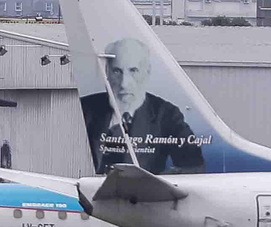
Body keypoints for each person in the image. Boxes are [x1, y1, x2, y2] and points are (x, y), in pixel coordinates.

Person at [79, 37, 205, 174]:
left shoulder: (166, 114)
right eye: (117, 71)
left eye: (133, 71)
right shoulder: (86, 108)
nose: (124, 83)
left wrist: (156, 181)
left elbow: (195, 167)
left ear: (147, 72)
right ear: (107, 73)